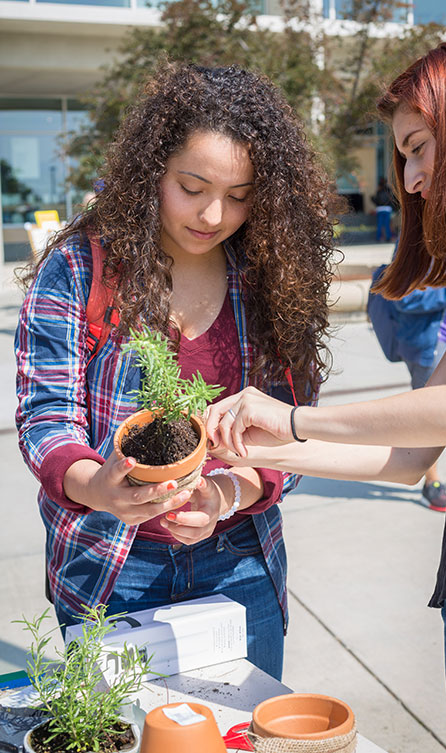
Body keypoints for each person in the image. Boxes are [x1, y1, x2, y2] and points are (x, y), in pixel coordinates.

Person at [206, 38, 446, 751]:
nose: (413, 175)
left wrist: (294, 412)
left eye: (421, 146)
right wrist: (255, 446)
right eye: (404, 155)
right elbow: (407, 457)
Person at [15, 61, 342, 681]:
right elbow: (45, 416)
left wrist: (224, 494)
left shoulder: (267, 276)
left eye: (240, 196)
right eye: (192, 187)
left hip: (241, 556)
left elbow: (291, 430)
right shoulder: (82, 268)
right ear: (152, 170)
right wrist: (97, 484)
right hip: (110, 563)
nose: (214, 215)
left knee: (242, 737)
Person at [369, 262, 446, 511]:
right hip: (429, 347)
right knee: (429, 416)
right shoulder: (418, 234)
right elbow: (402, 296)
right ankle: (431, 484)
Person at [370, 177, 395, 242]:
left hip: (380, 209)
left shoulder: (379, 190)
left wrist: (372, 198)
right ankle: (388, 237)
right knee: (387, 224)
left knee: (380, 224)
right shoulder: (389, 190)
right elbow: (392, 199)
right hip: (387, 209)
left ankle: (378, 238)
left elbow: (376, 200)